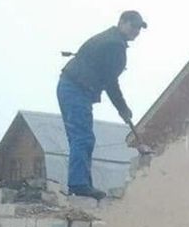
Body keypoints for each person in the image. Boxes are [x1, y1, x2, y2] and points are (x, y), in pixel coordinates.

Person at [57, 10, 147, 199]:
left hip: (73, 87)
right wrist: (123, 108)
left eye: (139, 28)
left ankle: (82, 184)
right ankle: (79, 185)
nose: (136, 31)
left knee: (81, 138)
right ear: (122, 22)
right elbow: (110, 82)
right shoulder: (114, 45)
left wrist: (122, 108)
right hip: (75, 88)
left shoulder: (110, 40)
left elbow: (107, 78)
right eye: (133, 26)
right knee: (83, 138)